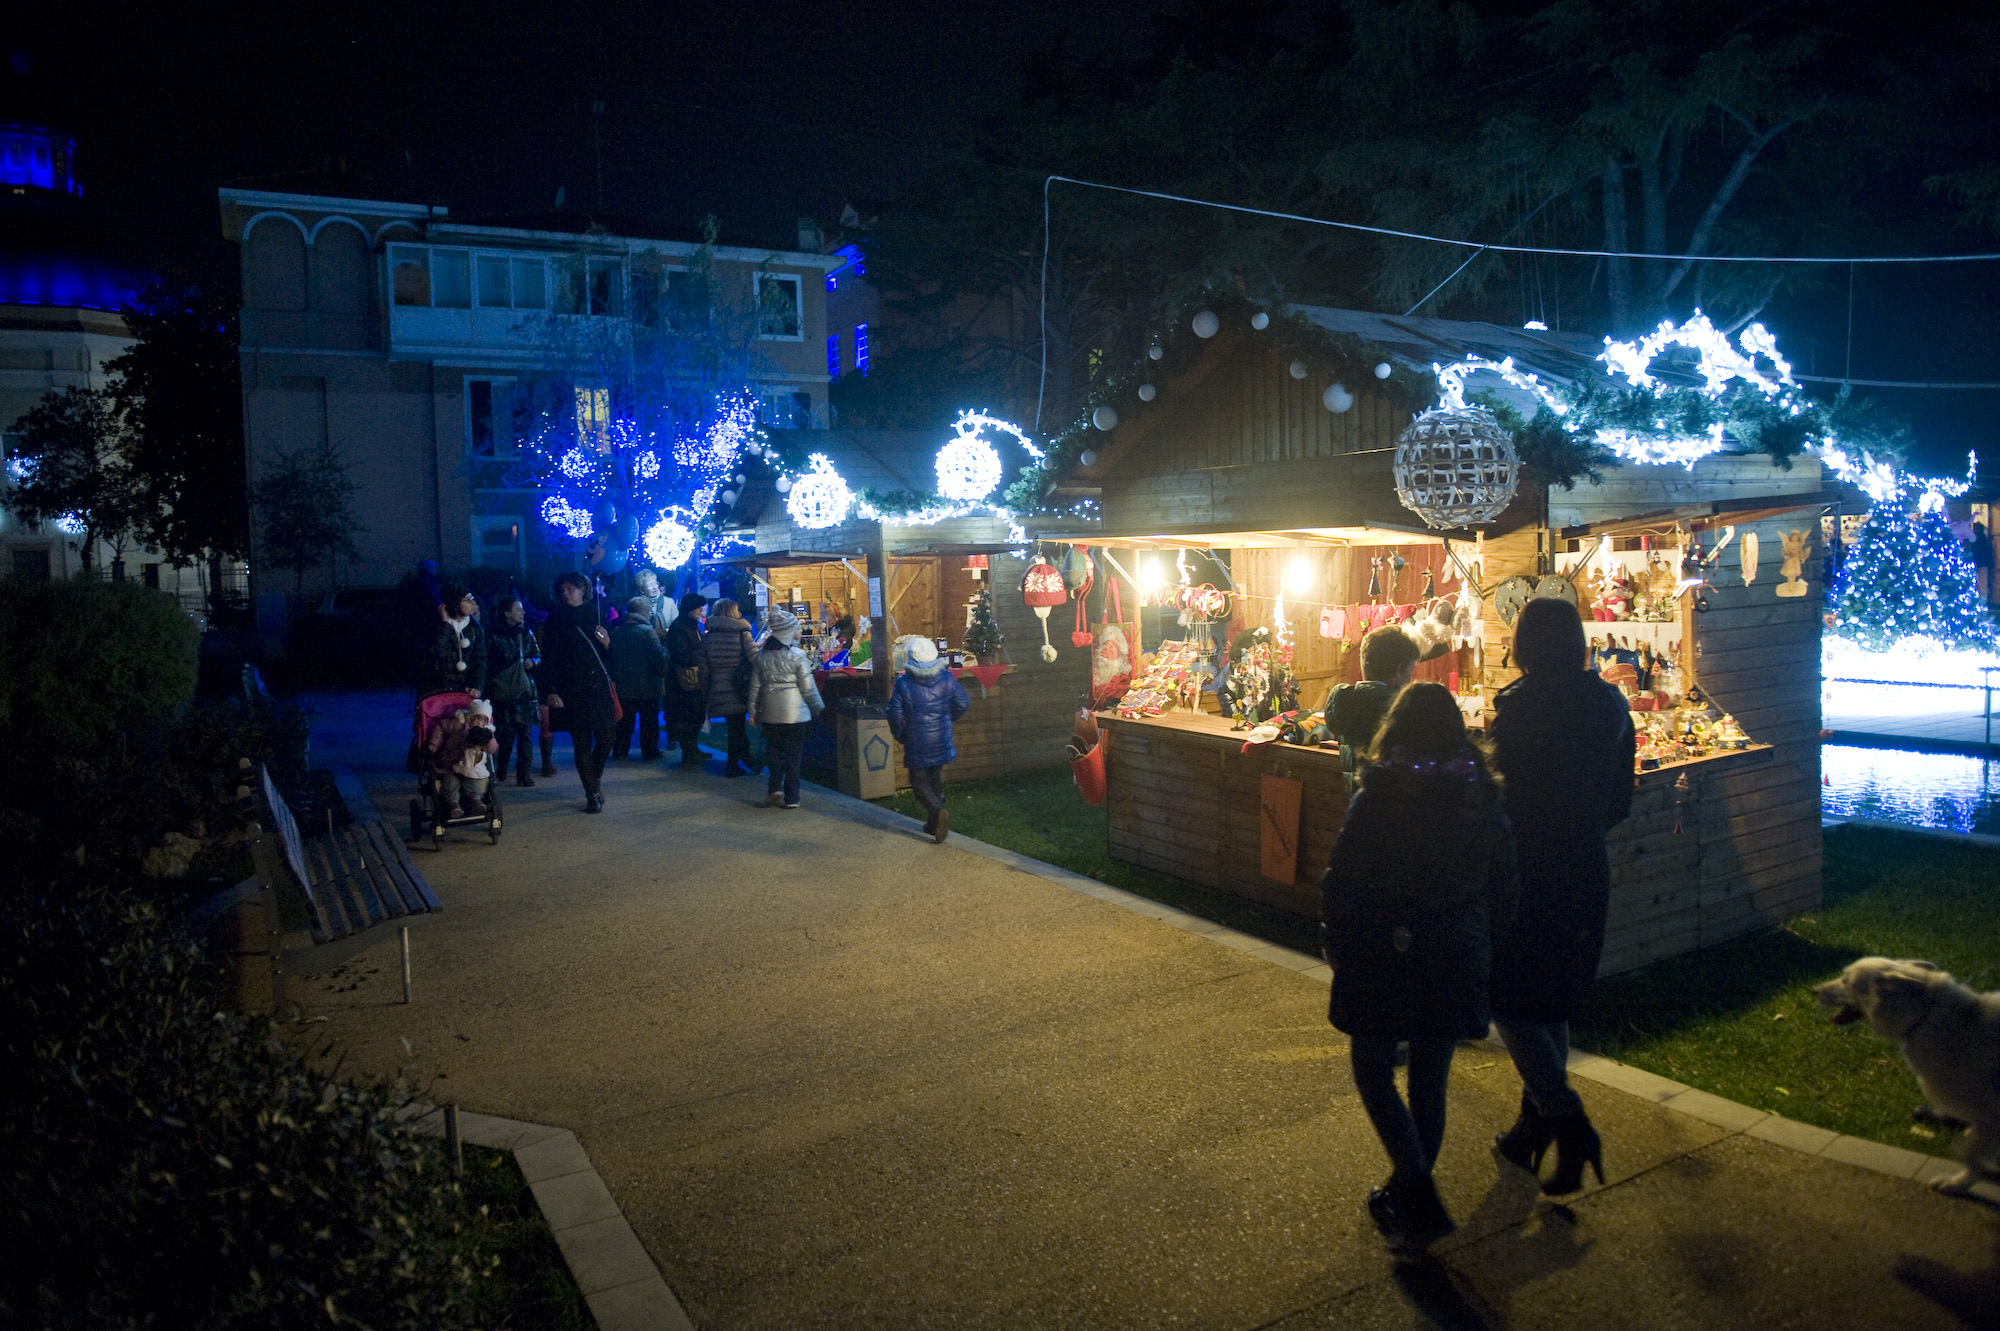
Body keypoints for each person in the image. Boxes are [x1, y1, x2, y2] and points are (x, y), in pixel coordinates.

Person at [1321, 682, 1517, 1254]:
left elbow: (1342, 875)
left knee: (1373, 1067)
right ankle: (1411, 1193)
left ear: (1395, 729)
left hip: (1386, 948)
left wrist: (1336, 939)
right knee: (1429, 1075)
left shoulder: (1381, 791)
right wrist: (1484, 942)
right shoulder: (1481, 797)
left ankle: (1416, 1192)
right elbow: (1505, 886)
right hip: (1454, 950)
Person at [1487, 597, 1636, 1196]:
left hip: (1531, 867)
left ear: (1524, 645)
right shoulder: (1610, 704)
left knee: (1511, 1000)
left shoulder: (1519, 710)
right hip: (1586, 863)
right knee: (1550, 1000)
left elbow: (1507, 801)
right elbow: (1619, 800)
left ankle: (1568, 1121)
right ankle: (1533, 1129)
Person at [540, 571, 617, 813]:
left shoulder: (596, 613)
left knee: (606, 737)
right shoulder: (556, 618)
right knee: (581, 742)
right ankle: (591, 792)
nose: (566, 594)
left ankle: (594, 779)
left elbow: (609, 655)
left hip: (597, 685)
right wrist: (551, 690)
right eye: (562, 590)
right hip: (570, 687)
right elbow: (549, 657)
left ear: (583, 589)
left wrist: (607, 645)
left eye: (570, 589)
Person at [886, 636, 971, 843]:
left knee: (918, 781)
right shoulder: (947, 677)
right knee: (934, 776)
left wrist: (900, 734)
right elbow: (963, 702)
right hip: (941, 736)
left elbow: (894, 714)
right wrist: (947, 719)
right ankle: (933, 825)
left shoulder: (903, 682)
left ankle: (938, 811)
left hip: (917, 738)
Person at [1325, 625, 1421, 792]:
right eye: (1410, 669)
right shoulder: (1396, 709)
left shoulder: (1346, 702)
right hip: (1390, 808)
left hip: (1357, 804)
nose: (1411, 678)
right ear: (1398, 669)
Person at [745, 608, 825, 808]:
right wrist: (818, 707)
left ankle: (774, 788)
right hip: (796, 714)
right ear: (788, 632)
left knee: (774, 753)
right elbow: (808, 688)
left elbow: (754, 687)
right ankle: (792, 797)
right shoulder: (798, 656)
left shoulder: (761, 656)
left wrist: (753, 712)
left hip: (771, 714)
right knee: (794, 755)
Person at [486, 596, 542, 787]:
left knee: (525, 734)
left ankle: (523, 773)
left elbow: (537, 655)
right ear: (506, 613)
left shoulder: (526, 633)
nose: (523, 613)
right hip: (504, 691)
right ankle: (501, 768)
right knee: (506, 733)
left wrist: (532, 662)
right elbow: (488, 661)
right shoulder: (494, 635)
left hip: (524, 691)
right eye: (518, 610)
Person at [702, 598, 756, 777]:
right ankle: (735, 765)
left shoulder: (709, 635)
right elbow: (754, 658)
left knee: (734, 726)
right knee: (737, 727)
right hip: (738, 686)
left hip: (717, 686)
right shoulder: (742, 633)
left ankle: (742, 761)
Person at [610, 596, 668, 761]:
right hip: (648, 683)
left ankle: (620, 750)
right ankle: (649, 751)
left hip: (623, 684)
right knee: (649, 720)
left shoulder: (618, 631)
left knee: (624, 720)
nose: (650, 614)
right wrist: (664, 658)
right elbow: (658, 657)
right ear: (641, 611)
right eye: (648, 610)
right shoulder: (647, 631)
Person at [427, 698, 497, 817]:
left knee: (473, 780)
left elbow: (492, 749)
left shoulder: (486, 731)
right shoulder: (456, 723)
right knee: (450, 782)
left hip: (470, 766)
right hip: (450, 763)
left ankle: (476, 801)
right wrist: (434, 744)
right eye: (477, 718)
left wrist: (489, 740)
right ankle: (454, 804)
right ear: (470, 717)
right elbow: (441, 728)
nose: (479, 722)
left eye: (483, 720)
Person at [428, 583, 486, 696]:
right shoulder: (436, 626)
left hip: (466, 690)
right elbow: (434, 654)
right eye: (468, 600)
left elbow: (480, 660)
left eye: (472, 599)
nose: (473, 603)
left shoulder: (475, 628)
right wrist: (445, 627)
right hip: (438, 690)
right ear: (455, 603)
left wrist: (476, 686)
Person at [635, 568, 680, 637]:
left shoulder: (669, 602)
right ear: (641, 590)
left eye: (655, 583)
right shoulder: (638, 606)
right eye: (650, 585)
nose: (654, 587)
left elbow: (677, 625)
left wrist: (665, 632)